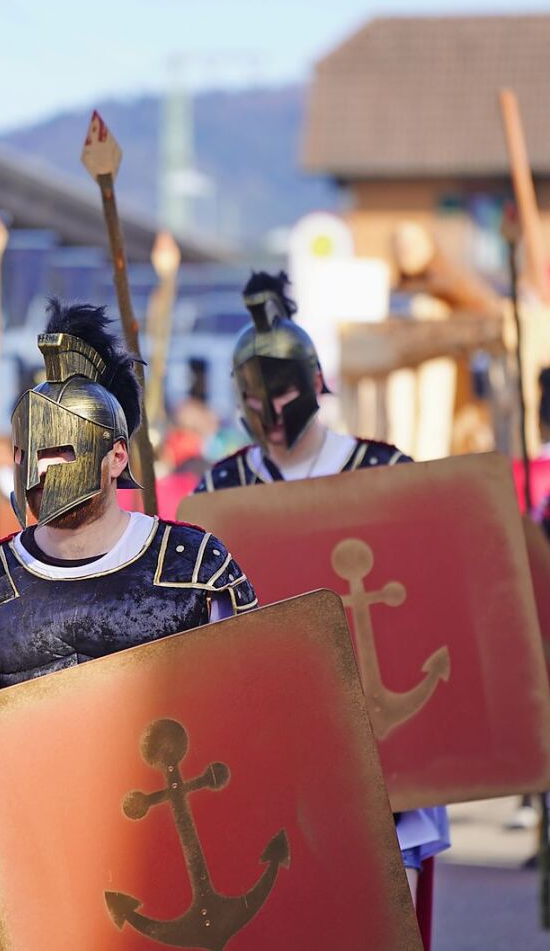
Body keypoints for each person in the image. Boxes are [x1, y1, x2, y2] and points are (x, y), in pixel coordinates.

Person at [0, 301, 257, 950]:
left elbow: (254, 714)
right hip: (27, 876)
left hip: (163, 870)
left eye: (63, 452)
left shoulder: (193, 566)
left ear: (114, 457)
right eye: (33, 453)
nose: (46, 471)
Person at [194, 271, 449, 910]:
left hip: (376, 729)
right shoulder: (218, 492)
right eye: (253, 396)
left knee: (382, 905)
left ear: (314, 384)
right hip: (269, 727)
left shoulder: (385, 474)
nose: (271, 412)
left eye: (282, 392)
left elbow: (435, 596)